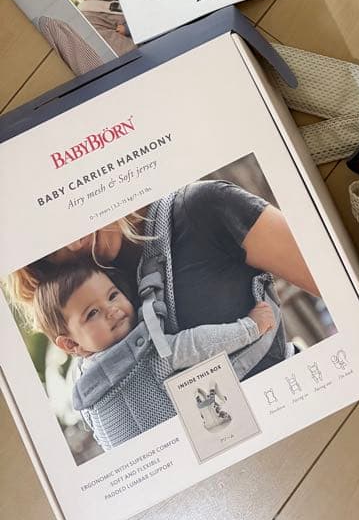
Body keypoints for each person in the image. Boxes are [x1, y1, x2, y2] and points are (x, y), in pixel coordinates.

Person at [6, 180, 319, 382]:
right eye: (54, 246)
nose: (75, 240)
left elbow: (329, 273)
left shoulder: (202, 207)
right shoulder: (88, 335)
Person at [30, 262, 276, 450]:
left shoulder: (83, 390)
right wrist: (249, 328)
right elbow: (198, 344)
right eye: (92, 313)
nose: (111, 310)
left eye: (113, 295)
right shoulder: (147, 351)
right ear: (71, 343)